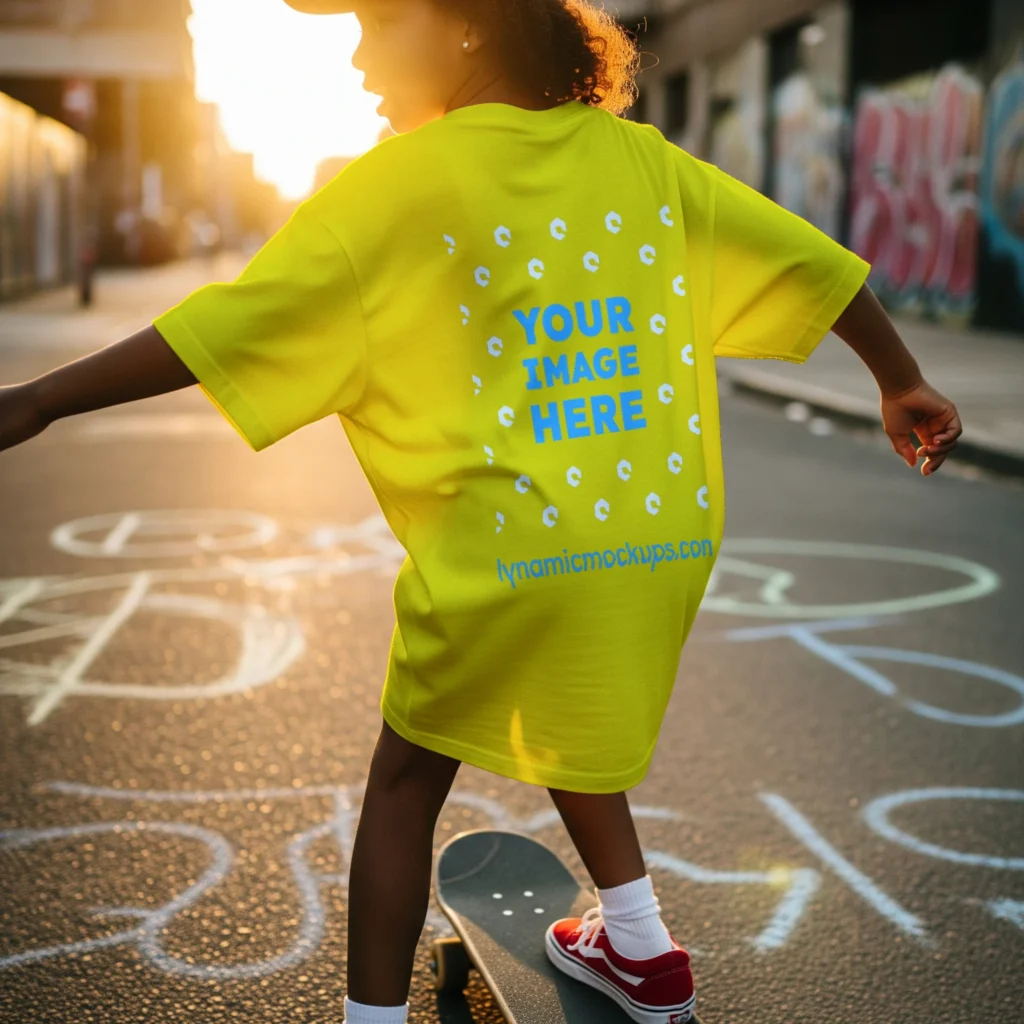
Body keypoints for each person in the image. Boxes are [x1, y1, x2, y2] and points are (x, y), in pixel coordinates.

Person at [0, 1, 963, 1022]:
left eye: (375, 26)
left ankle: (370, 1019)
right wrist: (899, 380)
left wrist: (42, 397)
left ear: (465, 28)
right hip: (655, 535)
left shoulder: (395, 184)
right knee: (561, 708)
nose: (360, 57)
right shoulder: (642, 161)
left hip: (508, 549)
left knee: (406, 782)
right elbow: (810, 263)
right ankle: (639, 948)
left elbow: (226, 327)